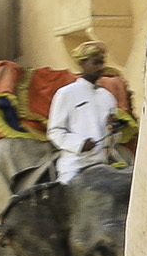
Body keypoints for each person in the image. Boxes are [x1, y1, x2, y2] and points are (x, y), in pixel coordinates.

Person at [47, 42, 122, 184]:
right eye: (95, 63)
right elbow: (55, 132)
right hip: (75, 167)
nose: (100, 67)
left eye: (101, 63)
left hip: (103, 166)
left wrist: (114, 129)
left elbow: (112, 138)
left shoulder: (107, 96)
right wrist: (81, 144)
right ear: (82, 63)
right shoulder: (66, 93)